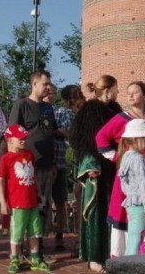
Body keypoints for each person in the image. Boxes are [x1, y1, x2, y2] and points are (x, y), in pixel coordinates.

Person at [96, 80, 145, 258]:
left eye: (135, 92)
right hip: (129, 174)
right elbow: (100, 137)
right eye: (128, 92)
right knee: (124, 213)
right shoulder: (121, 118)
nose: (130, 95)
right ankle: (121, 258)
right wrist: (118, 158)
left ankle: (143, 255)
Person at [71, 75, 121, 273]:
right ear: (108, 90)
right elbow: (83, 142)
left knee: (112, 210)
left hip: (113, 168)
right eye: (116, 88)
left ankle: (111, 253)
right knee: (97, 211)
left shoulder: (116, 110)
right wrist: (89, 165)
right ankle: (94, 256)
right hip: (97, 169)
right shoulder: (90, 111)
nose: (118, 91)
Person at [9, 70, 57, 239]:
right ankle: (20, 247)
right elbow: (12, 134)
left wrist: (53, 163)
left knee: (43, 205)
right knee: (26, 206)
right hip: (26, 166)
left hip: (45, 164)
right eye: (45, 84)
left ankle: (38, 247)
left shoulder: (48, 107)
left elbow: (50, 132)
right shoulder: (22, 105)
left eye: (49, 84)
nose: (48, 87)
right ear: (34, 84)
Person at [0, 124, 50, 273]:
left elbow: (33, 175)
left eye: (24, 138)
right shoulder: (6, 159)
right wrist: (3, 202)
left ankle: (35, 257)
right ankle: (15, 257)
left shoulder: (29, 155)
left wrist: (39, 194)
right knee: (17, 232)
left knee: (35, 231)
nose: (23, 141)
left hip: (32, 201)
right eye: (19, 138)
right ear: (10, 140)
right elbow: (1, 181)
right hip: (17, 203)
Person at [117, 119, 145, 256]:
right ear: (135, 139)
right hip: (141, 205)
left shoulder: (126, 157)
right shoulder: (138, 160)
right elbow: (144, 185)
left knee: (134, 237)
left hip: (132, 203)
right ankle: (129, 267)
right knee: (136, 240)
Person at [51, 84, 83, 252]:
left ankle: (65, 236)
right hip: (51, 162)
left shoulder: (66, 112)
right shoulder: (63, 112)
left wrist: (60, 132)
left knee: (63, 200)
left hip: (64, 161)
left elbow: (67, 133)